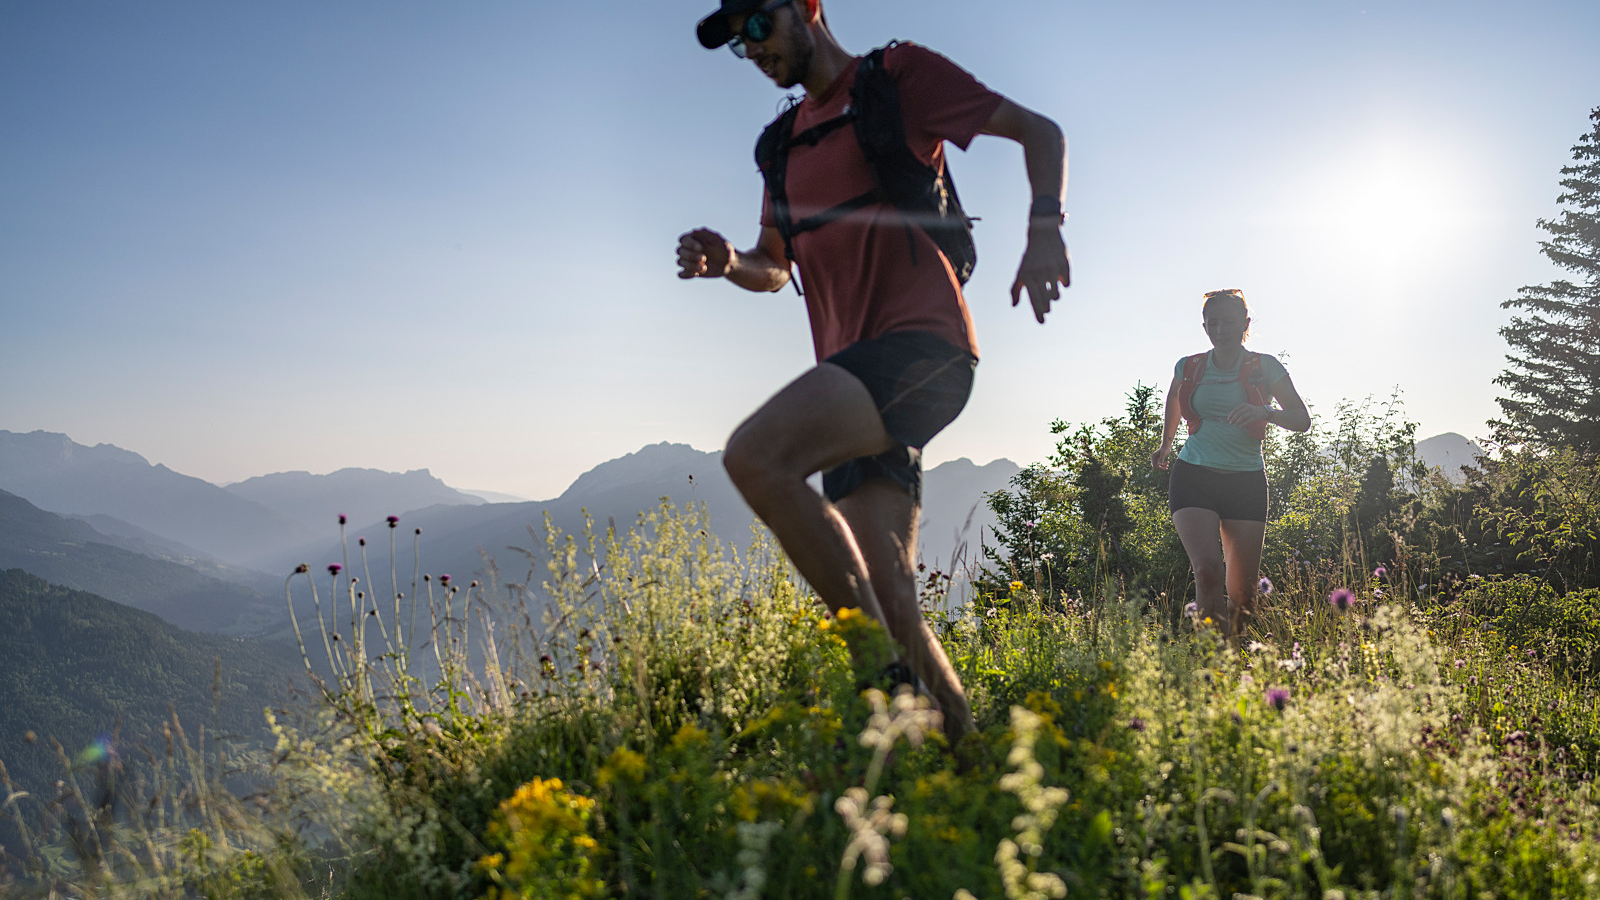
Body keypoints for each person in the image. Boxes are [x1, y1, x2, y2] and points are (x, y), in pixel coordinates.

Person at [676, 0, 1070, 741]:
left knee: (755, 456)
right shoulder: (780, 147)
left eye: (757, 26)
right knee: (892, 596)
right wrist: (729, 263)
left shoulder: (898, 77)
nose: (751, 50)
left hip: (926, 348)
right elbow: (773, 265)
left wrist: (1045, 228)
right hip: (852, 380)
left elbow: (1039, 131)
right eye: (737, 44)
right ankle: (969, 761)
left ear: (806, 9)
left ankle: (875, 670)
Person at [1151, 289, 1310, 635]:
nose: (1220, 330)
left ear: (1246, 324)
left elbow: (1301, 419)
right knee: (1207, 572)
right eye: (1213, 323)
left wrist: (1263, 411)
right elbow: (1175, 399)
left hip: (1245, 482)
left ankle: (1234, 664)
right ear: (1204, 326)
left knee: (1243, 595)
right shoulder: (1189, 365)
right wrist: (1166, 444)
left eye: (1229, 322)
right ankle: (1212, 664)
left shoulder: (1264, 366)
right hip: (1194, 475)